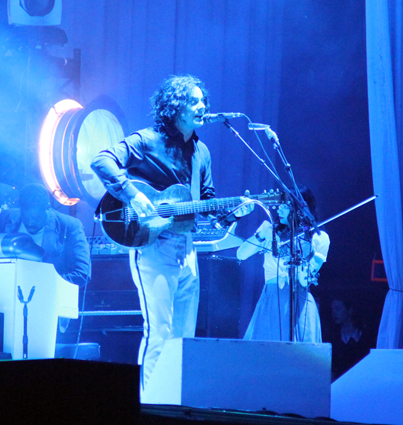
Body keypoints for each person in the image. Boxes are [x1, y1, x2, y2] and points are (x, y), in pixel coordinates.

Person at [91, 74, 250, 390]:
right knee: (159, 334)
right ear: (175, 107)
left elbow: (206, 203)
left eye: (203, 100)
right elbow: (102, 161)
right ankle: (146, 407)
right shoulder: (148, 141)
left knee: (182, 339)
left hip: (188, 250)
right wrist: (134, 196)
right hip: (153, 248)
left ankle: (173, 406)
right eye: (194, 101)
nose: (202, 106)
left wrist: (231, 212)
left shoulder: (201, 152)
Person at [237, 186, 330, 342]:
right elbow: (241, 254)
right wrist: (261, 235)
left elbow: (305, 279)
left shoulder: (319, 238)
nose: (278, 209)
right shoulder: (269, 229)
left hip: (300, 304)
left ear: (298, 209)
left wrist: (300, 264)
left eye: (284, 205)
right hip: (271, 299)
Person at [0, 183, 91, 287]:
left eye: (36, 218)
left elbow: (82, 274)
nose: (30, 223)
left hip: (51, 297)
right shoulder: (4, 218)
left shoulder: (70, 226)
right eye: (25, 217)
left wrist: (38, 283)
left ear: (48, 208)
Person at [329, 298, 372, 380]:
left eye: (338, 309)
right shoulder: (333, 339)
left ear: (349, 310)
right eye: (332, 309)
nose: (334, 313)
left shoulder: (365, 338)